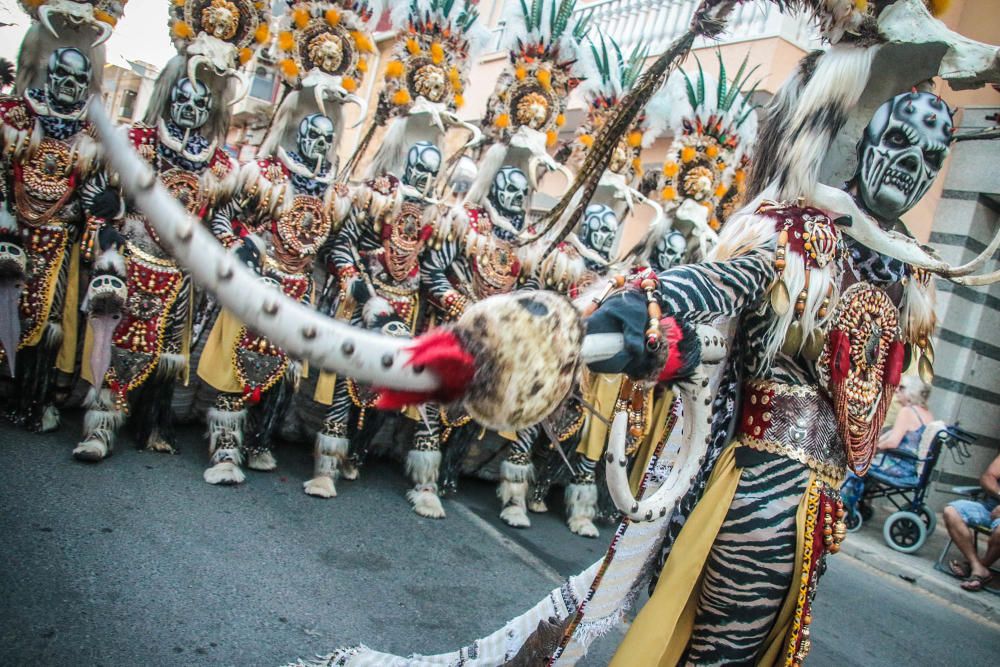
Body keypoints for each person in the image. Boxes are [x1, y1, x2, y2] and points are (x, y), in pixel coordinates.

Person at [943, 453, 1000, 592]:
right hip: (990, 509)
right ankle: (977, 566)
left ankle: (978, 569)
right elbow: (988, 477)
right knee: (951, 511)